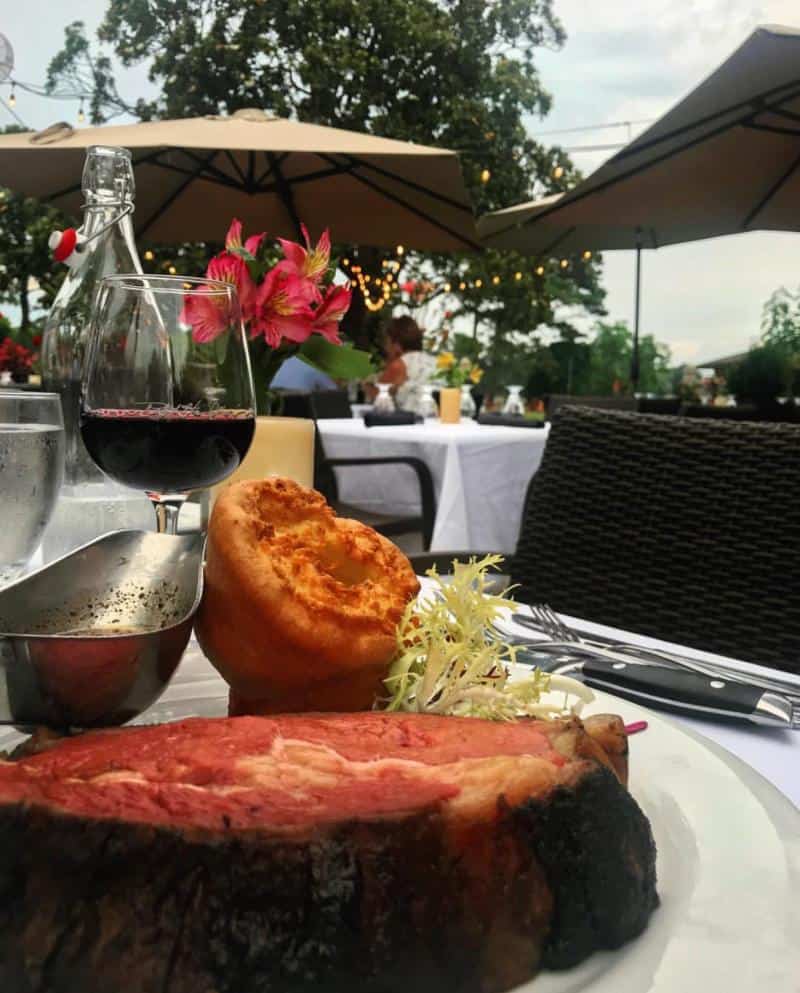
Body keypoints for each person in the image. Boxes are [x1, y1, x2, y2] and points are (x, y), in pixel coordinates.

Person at [378, 316, 437, 414]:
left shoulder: (399, 365)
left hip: (410, 422)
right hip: (437, 420)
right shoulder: (433, 361)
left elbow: (378, 395)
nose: (386, 348)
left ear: (396, 345)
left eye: (387, 342)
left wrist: (364, 382)